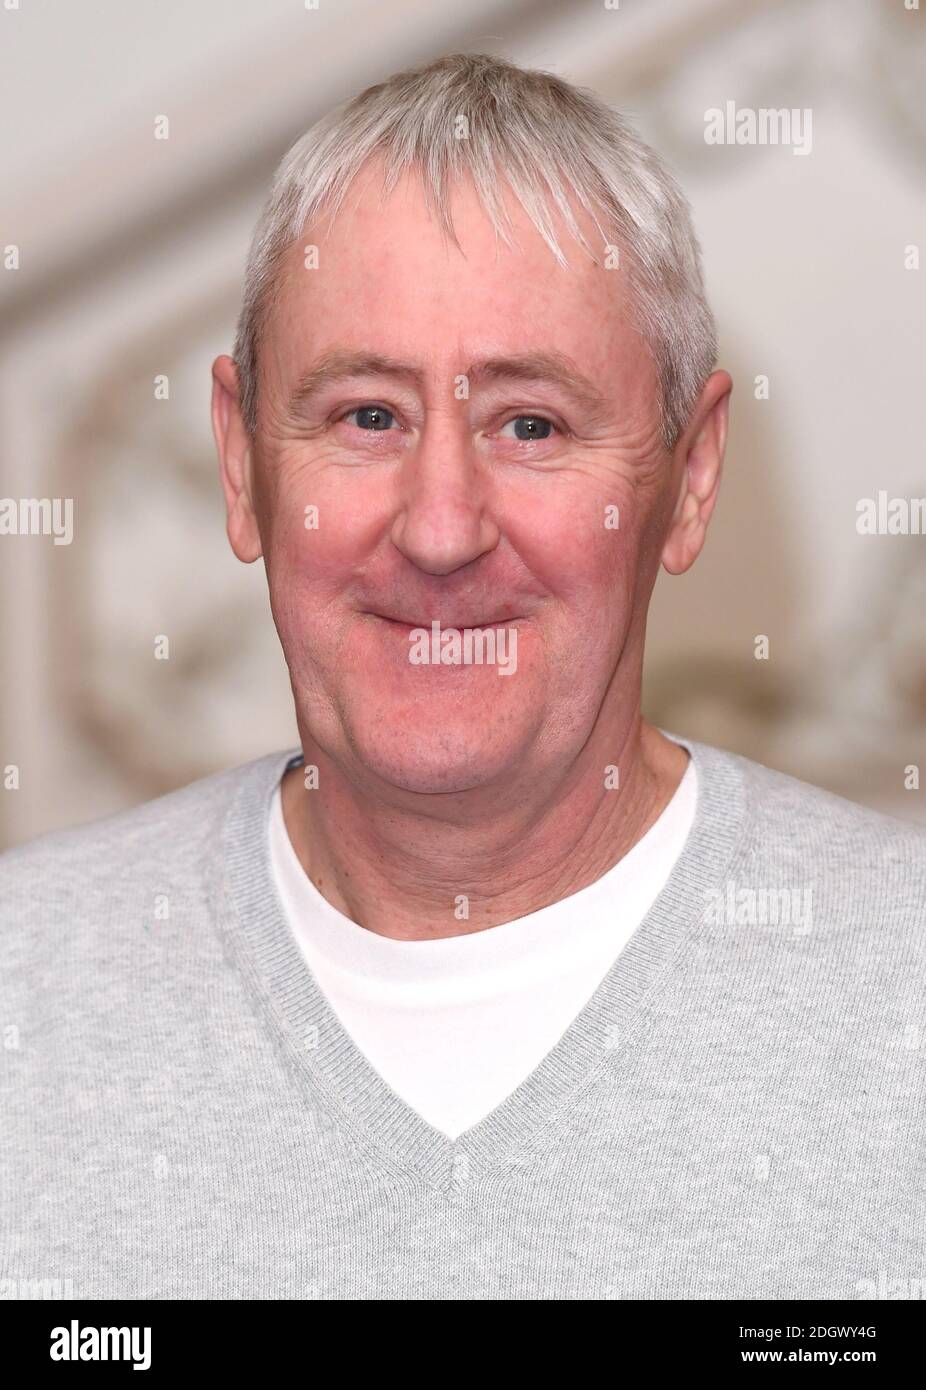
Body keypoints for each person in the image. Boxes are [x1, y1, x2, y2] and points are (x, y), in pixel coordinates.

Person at [1, 53, 923, 1301]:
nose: (440, 527)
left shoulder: (896, 990)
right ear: (240, 464)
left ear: (687, 478)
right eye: (366, 416)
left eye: (529, 424)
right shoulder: (26, 986)